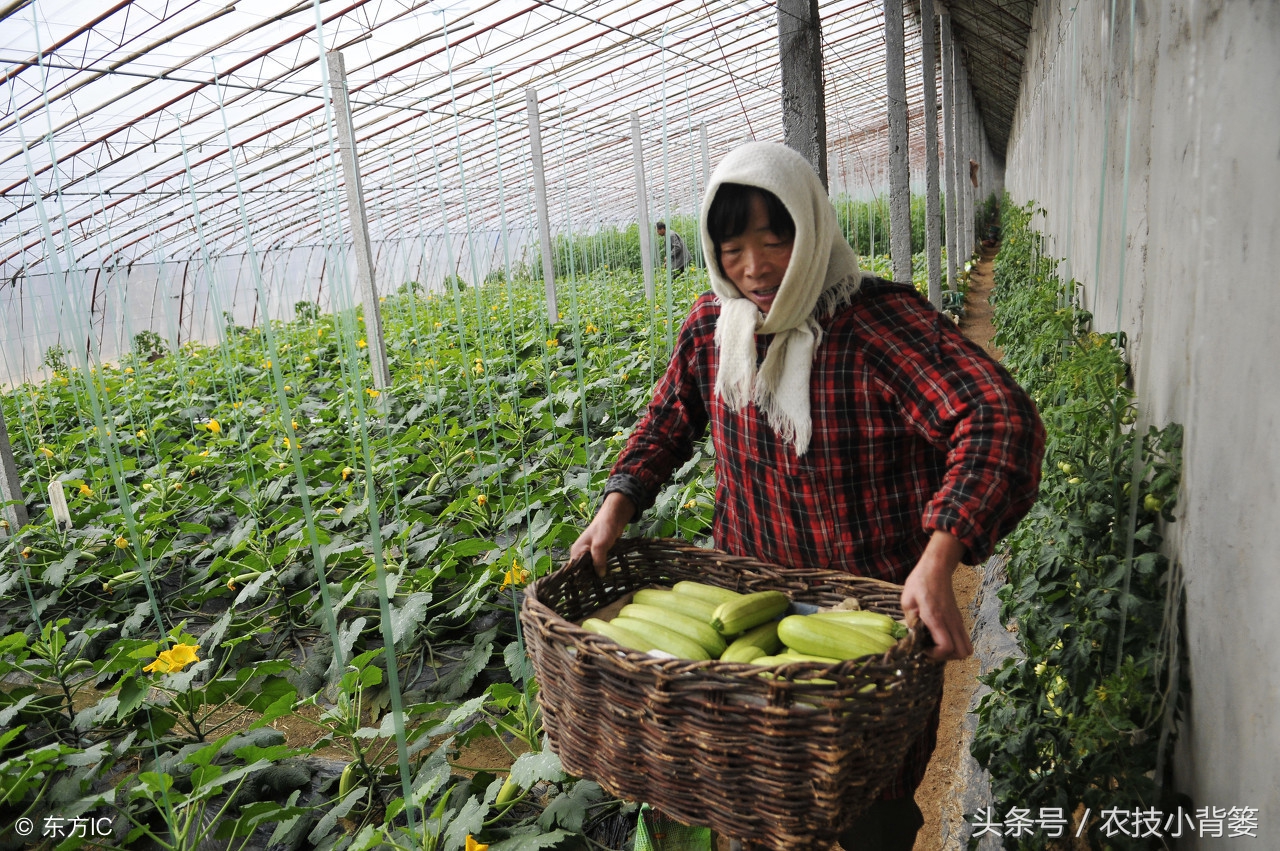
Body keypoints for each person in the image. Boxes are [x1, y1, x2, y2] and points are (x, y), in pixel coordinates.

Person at [571, 142, 1045, 850]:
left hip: (870, 621)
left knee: (869, 805)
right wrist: (615, 507)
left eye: (775, 236)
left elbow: (998, 418)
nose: (755, 266)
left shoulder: (877, 325)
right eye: (732, 246)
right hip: (754, 613)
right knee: (759, 790)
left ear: (813, 226)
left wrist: (941, 553)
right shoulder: (713, 328)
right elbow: (666, 421)